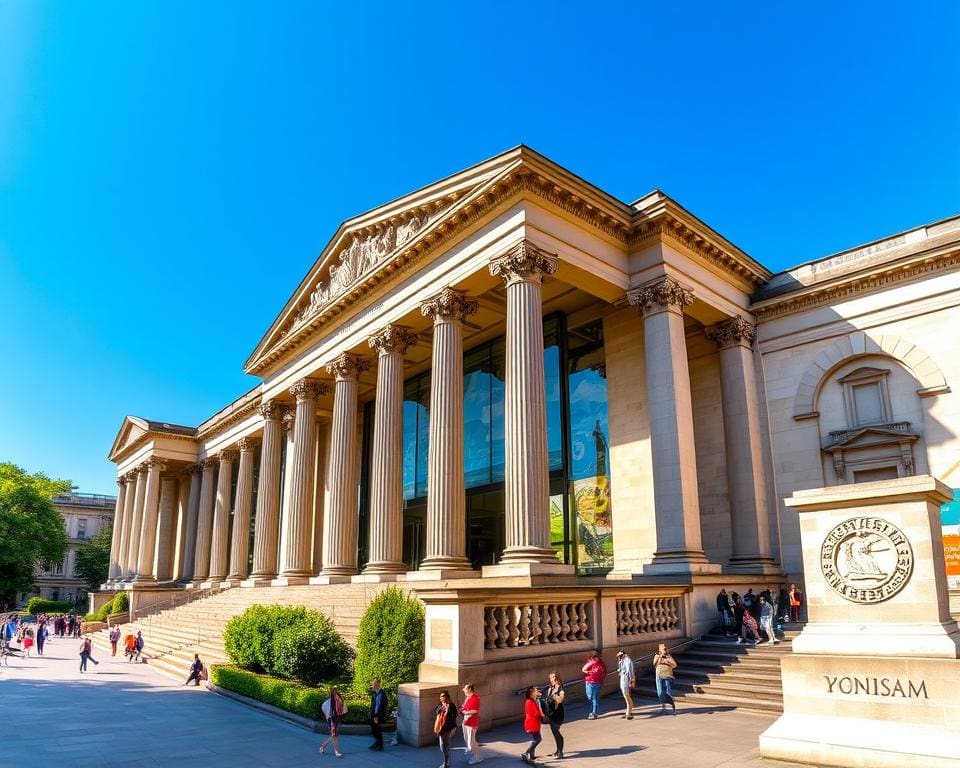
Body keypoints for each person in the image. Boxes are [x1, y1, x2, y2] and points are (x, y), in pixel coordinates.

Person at [433, 690, 459, 768]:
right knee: (442, 745)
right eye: (440, 696)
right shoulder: (440, 705)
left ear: (446, 697)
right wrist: (442, 708)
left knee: (446, 745)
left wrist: (448, 710)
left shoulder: (451, 705)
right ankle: (446, 761)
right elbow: (436, 711)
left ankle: (446, 763)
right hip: (440, 728)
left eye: (443, 696)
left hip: (447, 727)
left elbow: (455, 715)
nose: (441, 698)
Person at [544, 671, 566, 760]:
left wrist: (554, 697)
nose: (552, 679)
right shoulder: (550, 688)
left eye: (553, 677)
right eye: (550, 678)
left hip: (558, 714)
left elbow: (561, 699)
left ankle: (560, 752)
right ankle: (558, 751)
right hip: (551, 713)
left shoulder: (560, 688)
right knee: (554, 732)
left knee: (556, 732)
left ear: (557, 678)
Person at [319, 685, 345, 757]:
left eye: (336, 690)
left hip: (336, 719)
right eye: (333, 690)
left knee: (334, 735)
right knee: (334, 735)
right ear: (331, 691)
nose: (335, 692)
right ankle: (336, 752)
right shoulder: (329, 700)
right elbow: (324, 708)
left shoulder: (338, 698)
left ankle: (323, 746)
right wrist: (328, 716)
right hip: (331, 720)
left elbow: (342, 706)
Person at [460, 682, 483, 765]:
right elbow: (462, 708)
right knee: (469, 741)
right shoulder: (468, 698)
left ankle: (478, 757)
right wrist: (463, 711)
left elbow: (475, 711)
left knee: (471, 742)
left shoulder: (475, 698)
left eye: (465, 689)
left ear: (469, 689)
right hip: (466, 722)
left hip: (471, 723)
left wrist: (465, 712)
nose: (463, 690)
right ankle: (476, 755)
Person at [581, 650, 606, 720]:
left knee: (595, 697)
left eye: (598, 657)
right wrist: (590, 672)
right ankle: (592, 710)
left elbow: (604, 672)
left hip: (597, 683)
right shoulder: (590, 662)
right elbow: (583, 669)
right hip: (589, 682)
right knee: (590, 697)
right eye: (595, 657)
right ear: (593, 657)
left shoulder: (601, 664)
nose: (597, 658)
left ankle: (594, 712)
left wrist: (601, 678)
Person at [520, 686, 542, 764]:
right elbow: (534, 713)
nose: (537, 691)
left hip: (534, 724)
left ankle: (532, 755)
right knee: (538, 739)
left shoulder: (532, 701)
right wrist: (540, 712)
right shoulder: (530, 702)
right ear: (531, 693)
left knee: (535, 739)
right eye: (536, 690)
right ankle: (526, 753)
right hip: (532, 724)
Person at [653, 643, 677, 714]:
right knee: (660, 692)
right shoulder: (657, 656)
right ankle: (663, 704)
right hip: (659, 674)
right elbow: (654, 664)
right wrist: (660, 657)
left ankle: (671, 705)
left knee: (668, 691)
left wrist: (667, 661)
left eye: (665, 649)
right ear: (660, 650)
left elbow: (674, 665)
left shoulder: (669, 656)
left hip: (667, 675)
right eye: (663, 649)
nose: (664, 650)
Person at [616, 650, 636, 719]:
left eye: (619, 656)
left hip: (626, 679)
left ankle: (629, 712)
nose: (618, 657)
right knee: (625, 695)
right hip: (623, 678)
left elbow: (630, 671)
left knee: (626, 695)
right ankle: (628, 711)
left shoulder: (627, 660)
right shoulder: (622, 660)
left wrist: (632, 681)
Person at [369, 678, 388, 751]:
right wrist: (371, 712)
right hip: (373, 714)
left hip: (378, 715)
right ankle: (378, 743)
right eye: (373, 682)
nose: (373, 684)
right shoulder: (374, 693)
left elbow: (384, 704)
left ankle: (379, 745)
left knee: (377, 729)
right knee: (374, 730)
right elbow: (372, 703)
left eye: (375, 683)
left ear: (378, 684)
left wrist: (377, 715)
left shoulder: (382, 693)